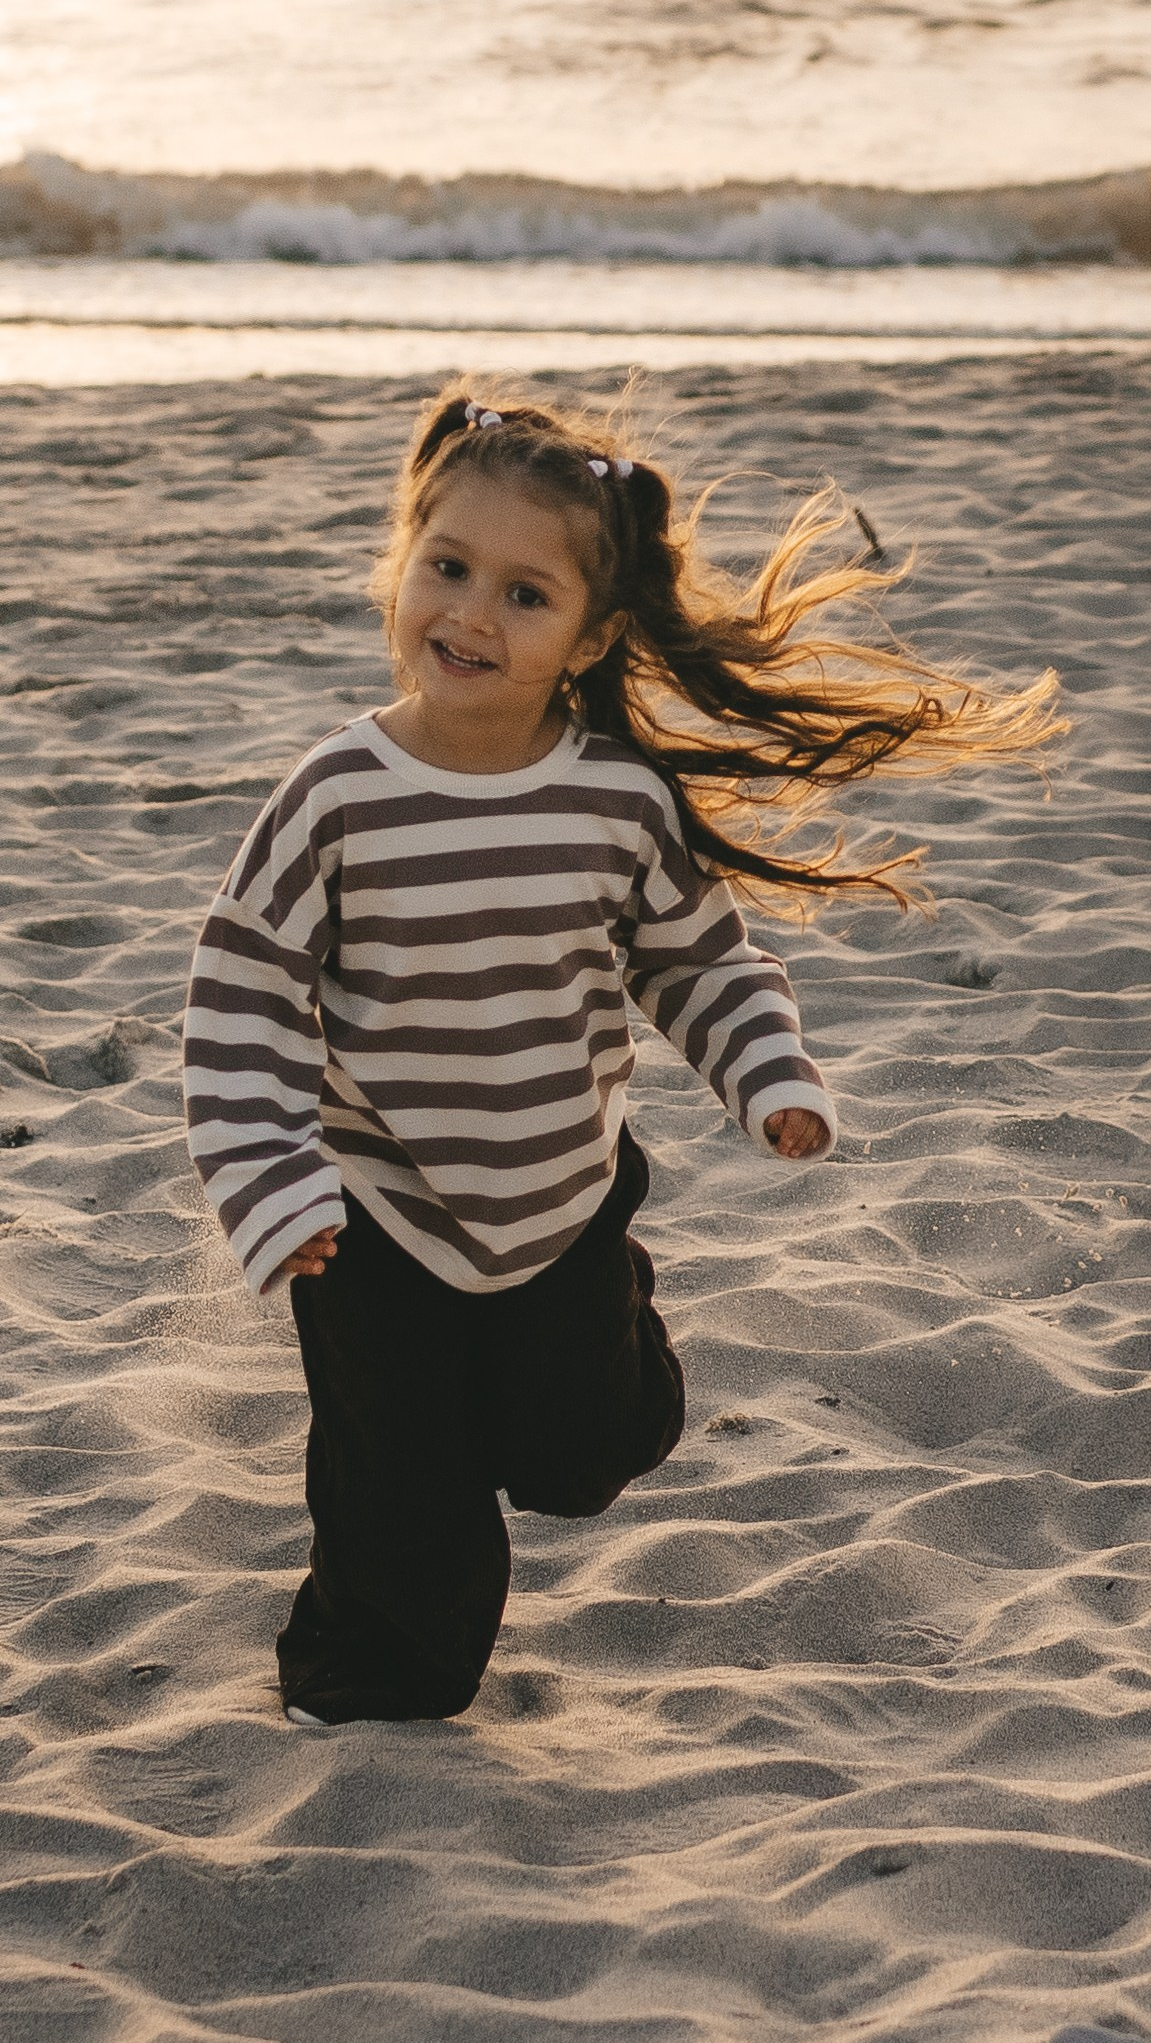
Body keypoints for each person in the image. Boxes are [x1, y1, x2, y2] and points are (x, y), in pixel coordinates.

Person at [182, 383, 1060, 1730]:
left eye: (525, 596)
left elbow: (694, 962)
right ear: (401, 565)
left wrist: (767, 1074)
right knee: (396, 1486)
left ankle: (596, 1363)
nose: (472, 614)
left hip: (563, 1202)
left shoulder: (613, 799)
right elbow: (245, 992)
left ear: (590, 639)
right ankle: (367, 1684)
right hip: (372, 1217)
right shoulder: (335, 797)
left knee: (579, 1454)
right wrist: (272, 1183)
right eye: (449, 567)